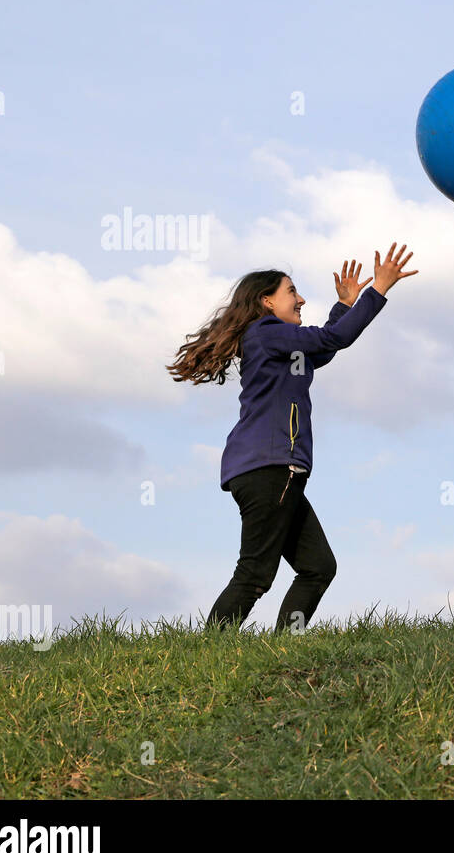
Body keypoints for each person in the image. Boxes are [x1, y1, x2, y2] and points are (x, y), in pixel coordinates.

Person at [166, 245, 418, 631]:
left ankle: (285, 643)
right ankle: (207, 649)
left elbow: (323, 347)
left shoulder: (277, 343)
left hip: (273, 470)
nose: (300, 299)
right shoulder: (267, 333)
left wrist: (344, 307)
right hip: (269, 467)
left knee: (318, 567)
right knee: (255, 573)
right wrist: (377, 289)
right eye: (291, 292)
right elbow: (336, 339)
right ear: (267, 302)